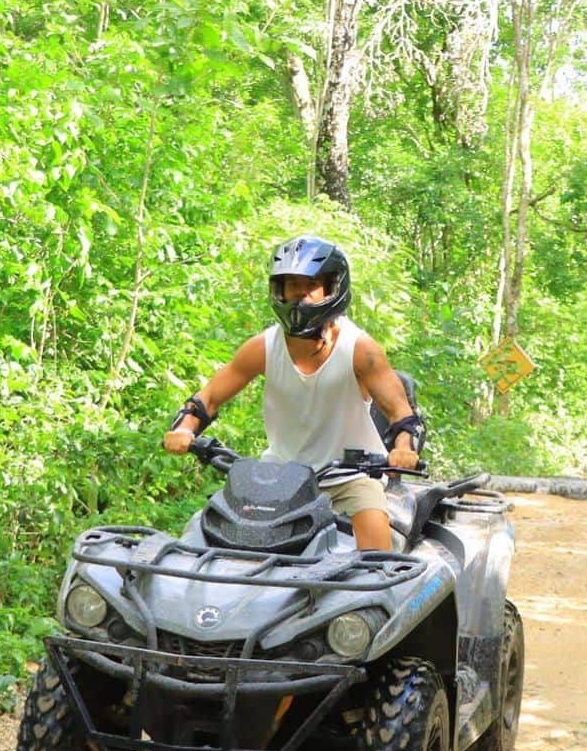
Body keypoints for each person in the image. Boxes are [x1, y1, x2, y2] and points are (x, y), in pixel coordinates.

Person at [163, 234, 424, 551]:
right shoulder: (262, 348)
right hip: (277, 481)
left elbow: (401, 414)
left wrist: (404, 448)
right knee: (208, 537)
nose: (300, 294)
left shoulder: (359, 349)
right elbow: (207, 399)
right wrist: (183, 429)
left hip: (349, 479)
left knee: (376, 559)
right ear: (279, 291)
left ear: (332, 288)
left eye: (311, 285)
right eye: (292, 285)